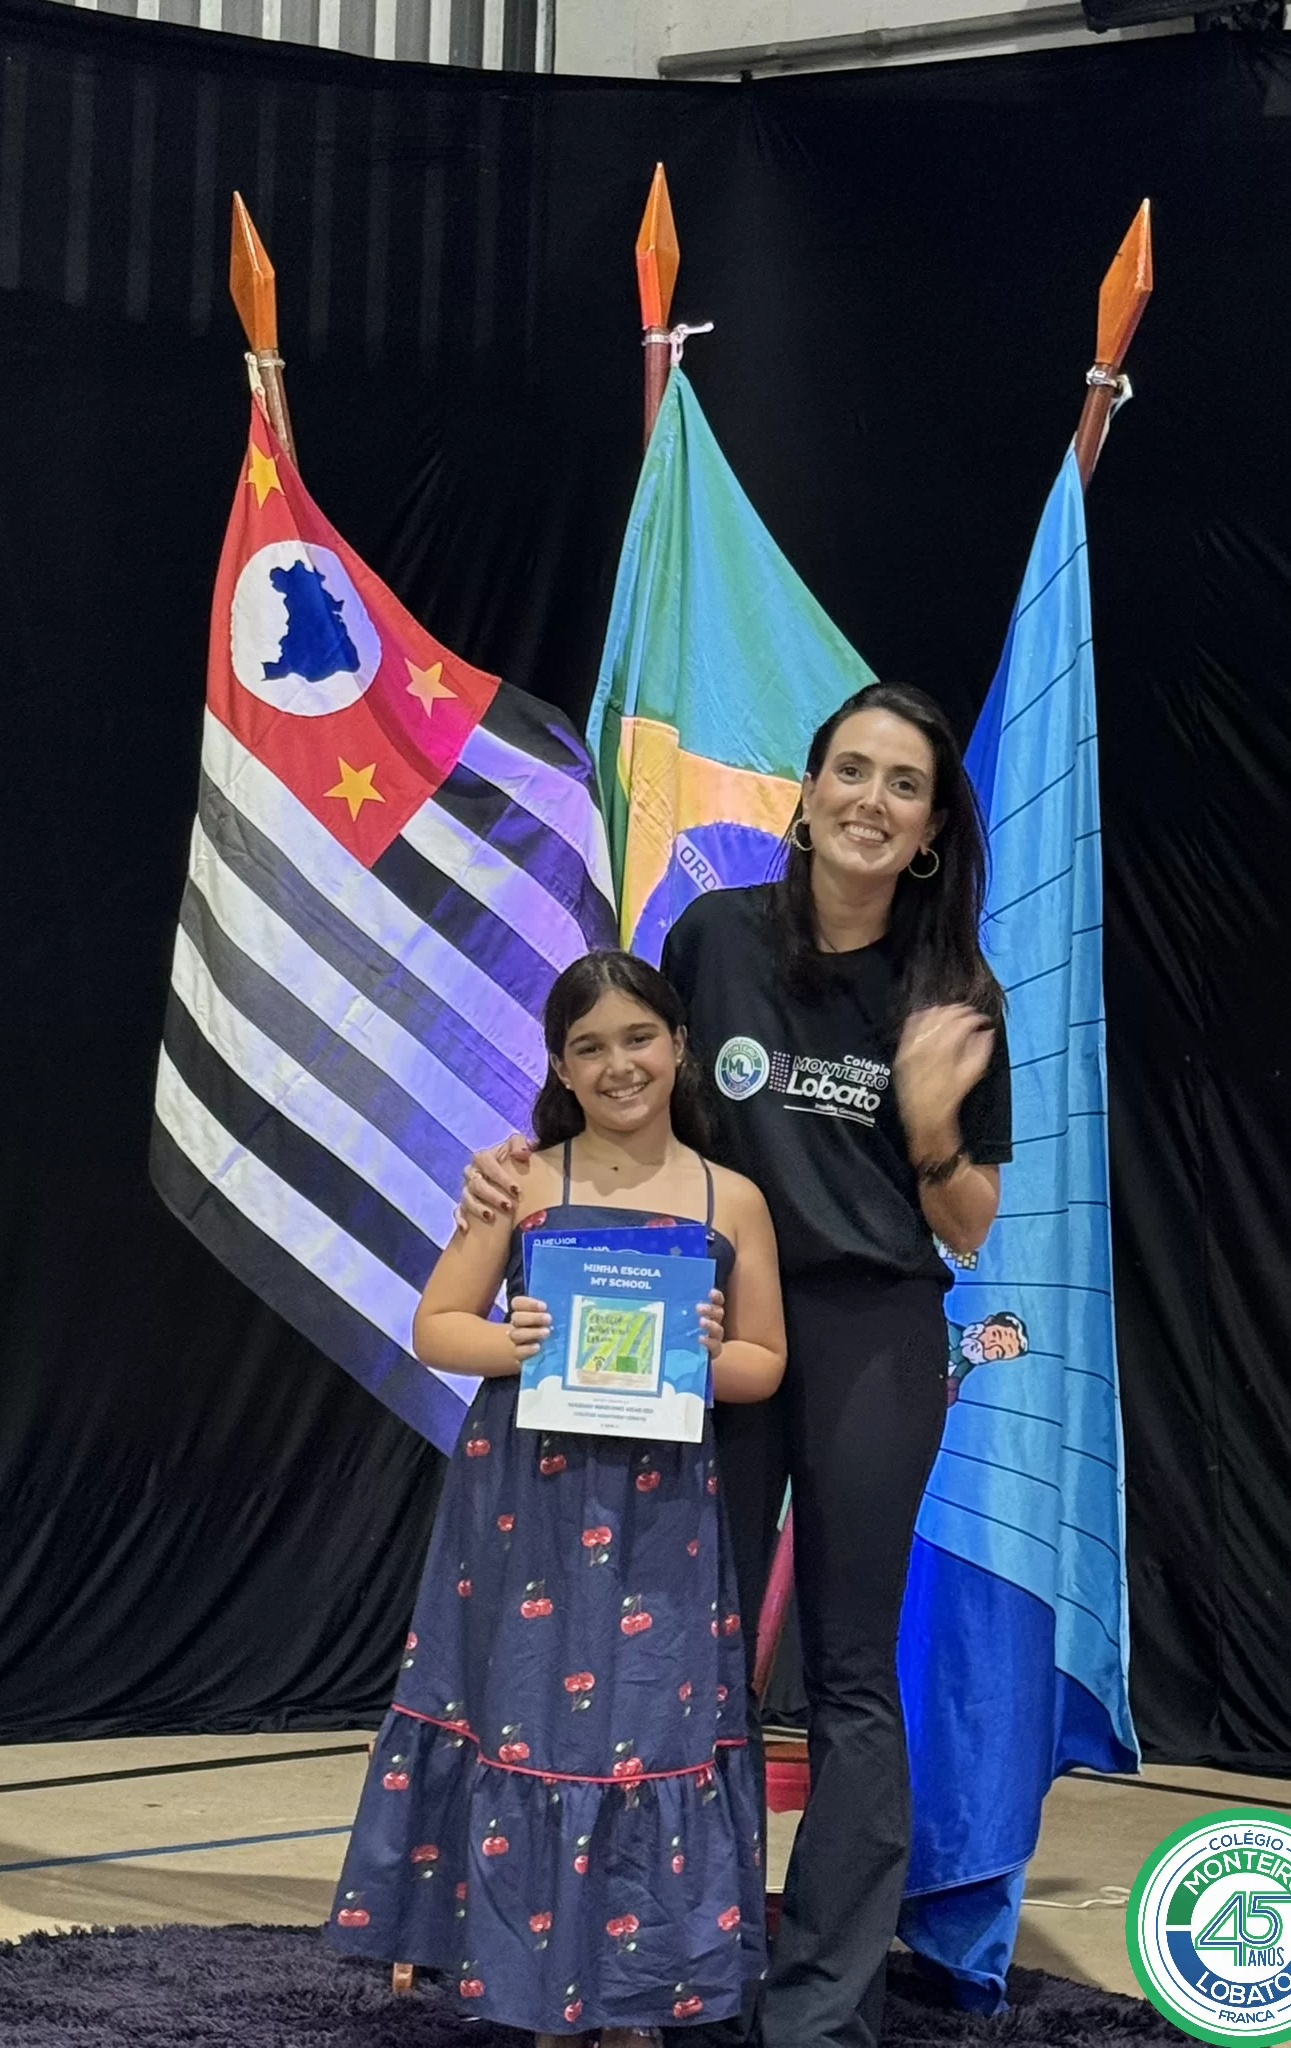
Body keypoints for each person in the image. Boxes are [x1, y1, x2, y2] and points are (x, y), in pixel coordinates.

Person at [461, 683, 1012, 2048]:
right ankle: (675, 1967)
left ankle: (821, 2006)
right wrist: (519, 1170)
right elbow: (629, 1088)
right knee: (682, 1658)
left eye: (904, 785)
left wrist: (930, 1124)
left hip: (874, 1332)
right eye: (852, 771)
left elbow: (969, 1222)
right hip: (703, 1326)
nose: (872, 800)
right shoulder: (714, 937)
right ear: (809, 793)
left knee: (851, 1670)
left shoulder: (953, 993)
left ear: (932, 830)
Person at [329, 949, 788, 2047]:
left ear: (679, 1046)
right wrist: (519, 1342)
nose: (619, 1063)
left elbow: (766, 1361)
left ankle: (634, 1999)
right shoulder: (523, 1181)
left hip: (662, 1511)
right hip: (528, 1500)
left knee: (647, 1723)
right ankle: (540, 1992)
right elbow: (436, 1324)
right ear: (561, 1067)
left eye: (639, 1038)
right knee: (529, 1717)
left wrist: (708, 1355)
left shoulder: (734, 1199)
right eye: (590, 1046)